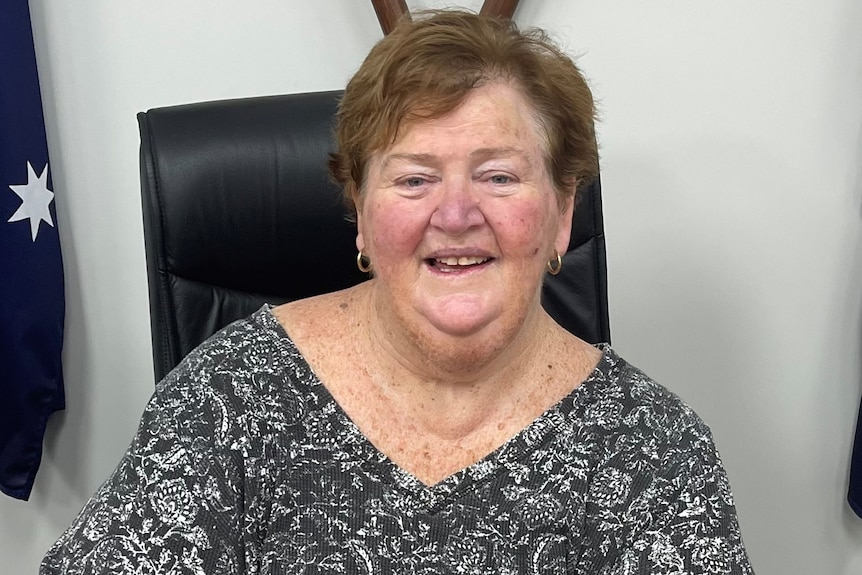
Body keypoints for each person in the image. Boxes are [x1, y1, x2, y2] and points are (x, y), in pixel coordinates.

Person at [42, 10, 754, 574]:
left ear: (563, 210)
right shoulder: (226, 403)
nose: (455, 213)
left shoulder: (655, 452)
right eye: (413, 178)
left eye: (499, 175)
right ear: (359, 208)